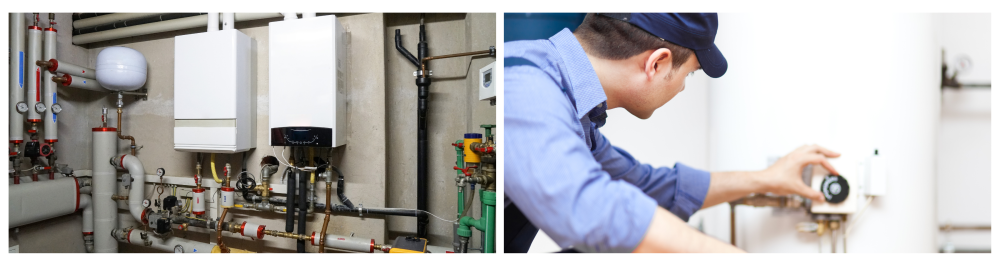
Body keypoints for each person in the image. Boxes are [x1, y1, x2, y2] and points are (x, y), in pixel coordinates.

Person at [504, 13, 841, 253]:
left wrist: (766, 179)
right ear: (657, 64)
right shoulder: (527, 85)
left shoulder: (575, 108)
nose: (681, 89)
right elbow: (590, 210)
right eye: (690, 75)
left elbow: (646, 187)